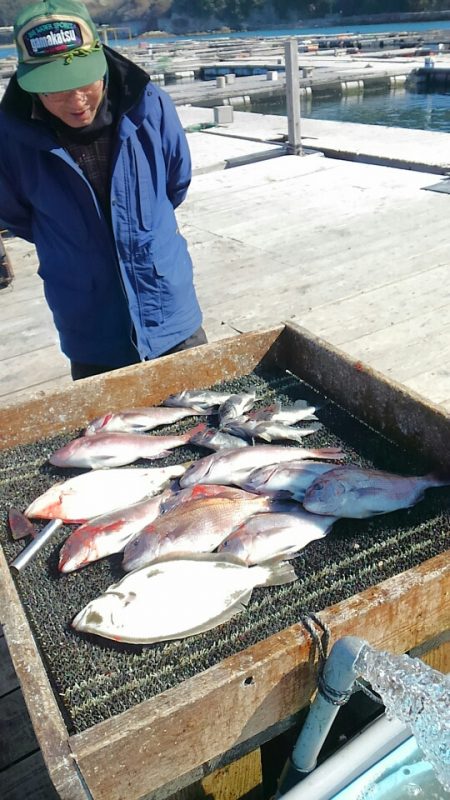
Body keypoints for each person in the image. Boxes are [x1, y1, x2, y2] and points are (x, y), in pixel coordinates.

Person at [0, 0, 207, 380]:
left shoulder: (151, 105)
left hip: (171, 312)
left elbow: (176, 181)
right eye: (55, 90)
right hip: (90, 330)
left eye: (84, 82)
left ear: (101, 61)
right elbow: (16, 216)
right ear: (30, 84)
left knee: (208, 420)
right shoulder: (9, 139)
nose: (76, 101)